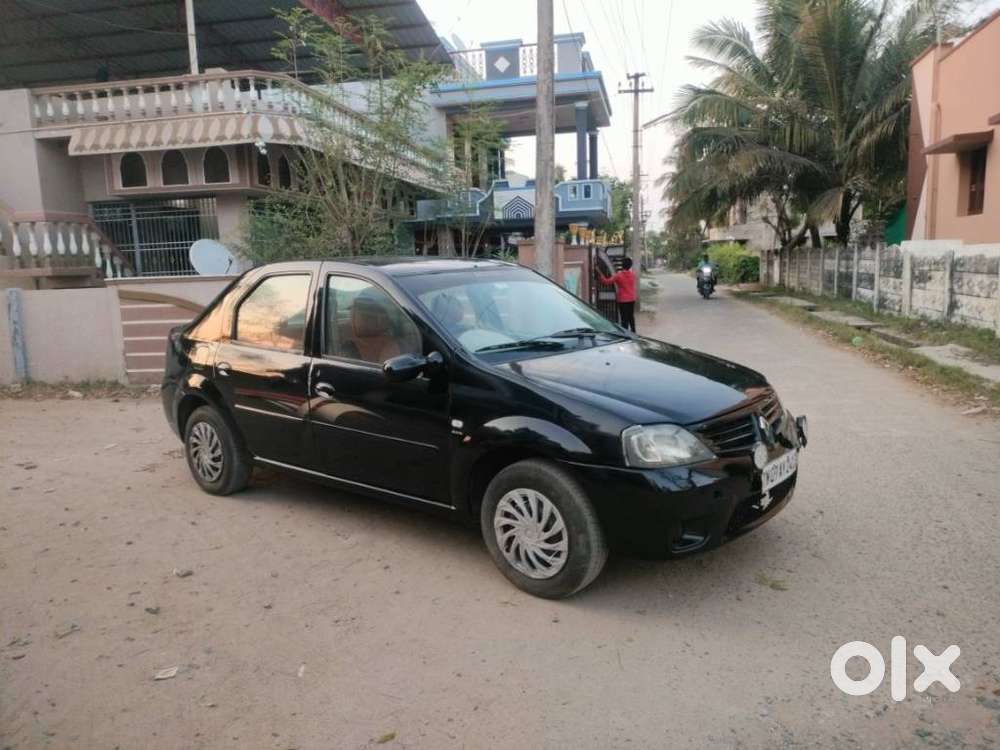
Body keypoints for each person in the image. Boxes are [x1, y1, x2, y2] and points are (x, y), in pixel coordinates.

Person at [598, 256, 637, 332]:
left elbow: (607, 282)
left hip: (623, 300)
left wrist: (600, 275)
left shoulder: (619, 275)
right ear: (630, 266)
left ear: (622, 265)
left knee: (624, 318)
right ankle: (633, 332)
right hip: (632, 298)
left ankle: (625, 333)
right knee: (631, 316)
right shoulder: (633, 275)